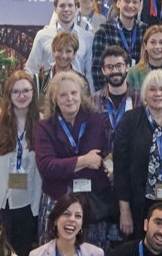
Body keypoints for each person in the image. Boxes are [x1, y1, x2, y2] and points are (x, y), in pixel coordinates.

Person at [34, 70, 117, 246]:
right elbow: (46, 166)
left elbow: (98, 161)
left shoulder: (96, 120)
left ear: (82, 95)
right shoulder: (45, 126)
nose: (69, 98)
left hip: (92, 203)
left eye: (74, 93)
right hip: (58, 200)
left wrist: (64, 165)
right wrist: (83, 160)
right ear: (54, 99)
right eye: (63, 95)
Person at [113, 72, 162, 237]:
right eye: (152, 89)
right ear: (144, 94)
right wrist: (124, 209)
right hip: (141, 205)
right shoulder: (130, 121)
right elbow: (120, 168)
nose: (158, 94)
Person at [0, 70, 43, 256]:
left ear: (33, 92)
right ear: (8, 94)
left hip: (29, 203)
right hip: (1, 203)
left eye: (26, 91)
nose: (21, 96)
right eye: (16, 92)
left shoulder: (42, 120)